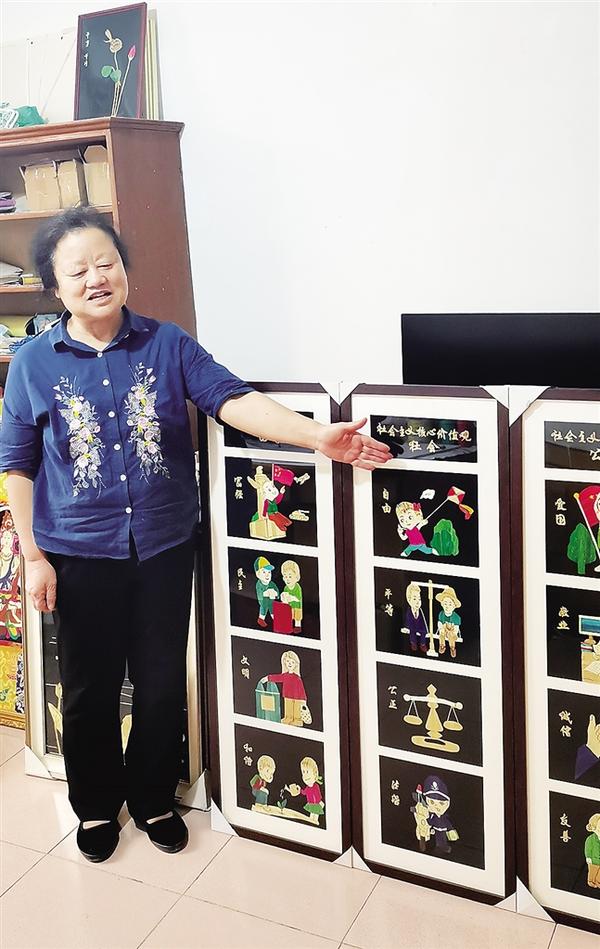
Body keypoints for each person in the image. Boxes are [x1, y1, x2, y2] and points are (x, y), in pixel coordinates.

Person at [0, 208, 391, 863]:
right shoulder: (33, 363)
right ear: (55, 285)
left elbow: (231, 399)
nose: (97, 278)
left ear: (124, 269)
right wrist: (33, 556)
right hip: (78, 552)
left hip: (162, 545)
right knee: (91, 689)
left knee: (159, 682)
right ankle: (94, 806)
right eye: (79, 270)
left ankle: (153, 797)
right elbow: (17, 465)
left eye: (107, 262)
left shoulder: (167, 343)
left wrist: (316, 436)